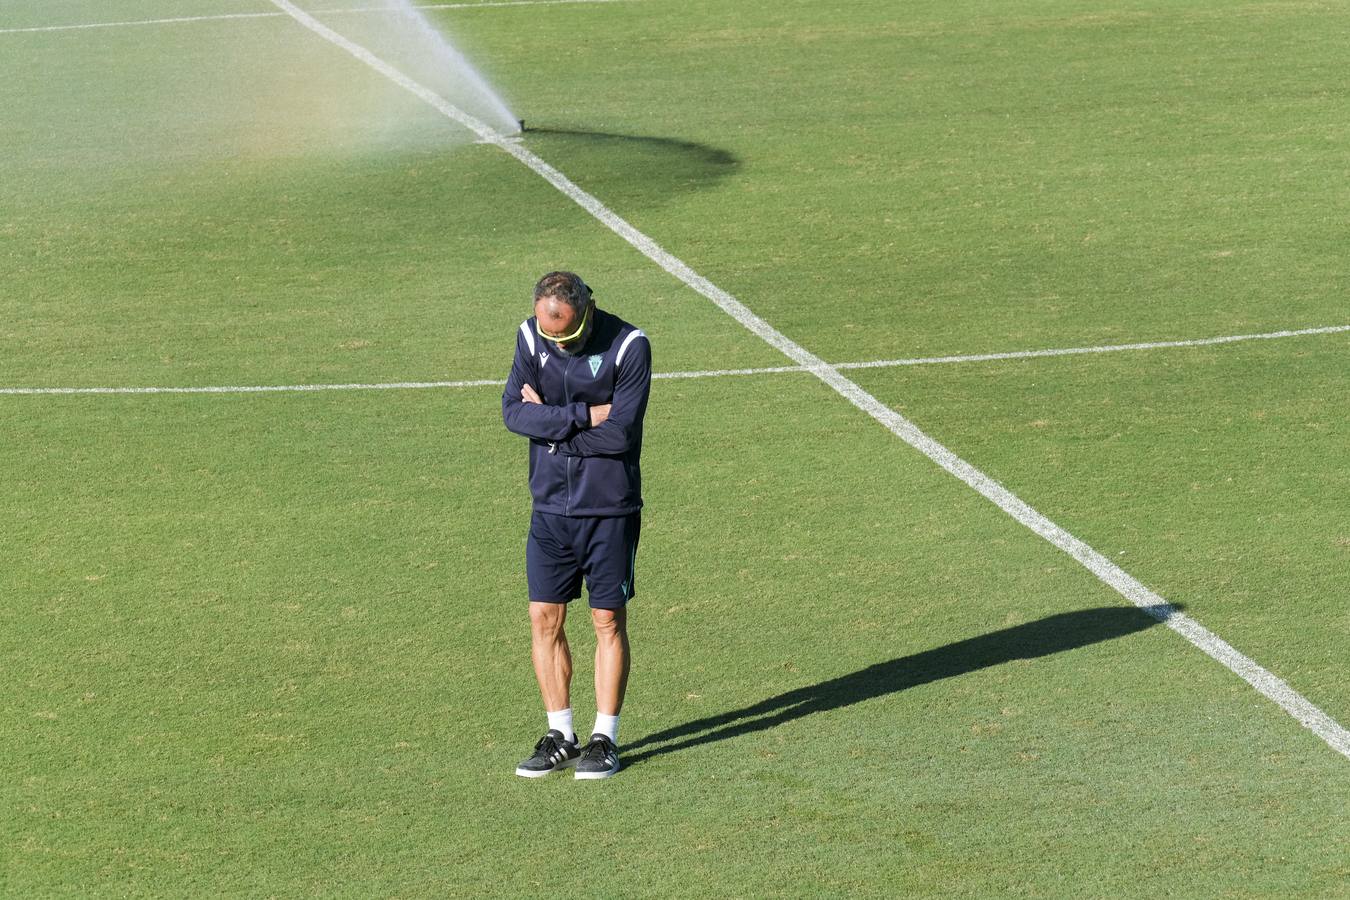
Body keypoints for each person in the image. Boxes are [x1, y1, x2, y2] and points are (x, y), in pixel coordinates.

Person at [501, 271, 651, 779]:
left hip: (608, 509)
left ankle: (604, 737)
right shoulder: (529, 336)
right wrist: (586, 417)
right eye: (552, 336)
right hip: (549, 509)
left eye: (567, 334)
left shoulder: (630, 346)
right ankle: (560, 733)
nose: (559, 343)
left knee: (606, 621)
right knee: (544, 618)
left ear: (587, 308)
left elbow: (621, 436)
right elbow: (513, 414)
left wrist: (553, 428)